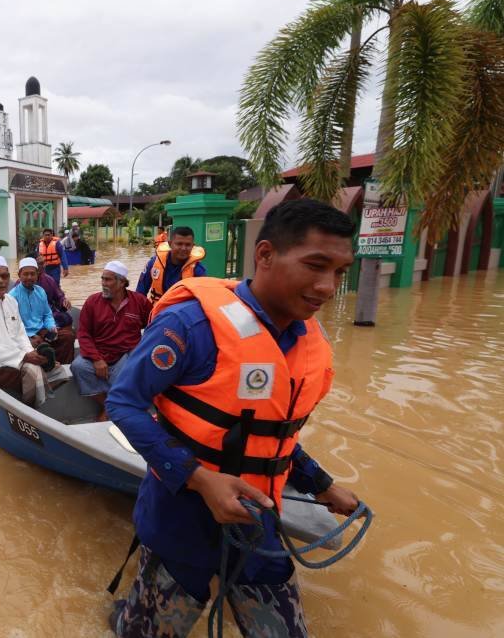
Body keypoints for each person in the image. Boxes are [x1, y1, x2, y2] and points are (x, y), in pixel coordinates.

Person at [107, 199, 361, 637]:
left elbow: (264, 432)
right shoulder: (190, 326)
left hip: (257, 519)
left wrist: (320, 483)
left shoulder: (308, 339)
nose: (327, 287)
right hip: (180, 520)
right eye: (315, 266)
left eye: (339, 272)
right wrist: (201, 480)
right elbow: (123, 402)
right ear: (264, 255)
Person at [71, 261, 152, 421]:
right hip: (100, 353)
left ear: (122, 282)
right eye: (102, 279)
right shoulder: (92, 302)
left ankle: (108, 411)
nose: (103, 284)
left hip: (126, 354)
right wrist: (96, 359)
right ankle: (111, 406)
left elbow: (152, 325)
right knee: (78, 366)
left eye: (108, 280)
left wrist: (141, 349)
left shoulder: (140, 302)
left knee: (130, 368)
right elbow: (84, 333)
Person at [0, 256, 49, 406]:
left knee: (45, 366)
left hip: (15, 355)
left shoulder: (11, 301)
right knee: (31, 372)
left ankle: (32, 405)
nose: (0, 281)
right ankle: (31, 409)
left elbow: (20, 334)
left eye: (4, 276)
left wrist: (29, 352)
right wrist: (24, 357)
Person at [10, 257, 75, 364]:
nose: (29, 277)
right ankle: (49, 365)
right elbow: (12, 325)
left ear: (37, 274)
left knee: (68, 336)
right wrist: (28, 337)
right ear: (19, 275)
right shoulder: (12, 296)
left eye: (32, 274)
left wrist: (51, 327)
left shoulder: (40, 292)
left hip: (42, 330)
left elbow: (47, 314)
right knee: (42, 346)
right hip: (25, 335)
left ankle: (62, 366)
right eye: (25, 274)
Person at [136, 226, 207, 302]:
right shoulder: (153, 263)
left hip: (181, 311)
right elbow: (139, 294)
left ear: (193, 246)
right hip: (156, 310)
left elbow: (203, 299)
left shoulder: (197, 270)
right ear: (170, 244)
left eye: (188, 245)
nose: (183, 248)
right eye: (179, 244)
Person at [34, 254, 73, 329]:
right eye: (41, 263)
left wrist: (64, 301)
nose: (44, 265)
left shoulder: (49, 280)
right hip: (30, 316)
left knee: (66, 318)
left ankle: (48, 327)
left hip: (48, 313)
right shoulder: (21, 284)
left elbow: (59, 296)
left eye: (44, 263)